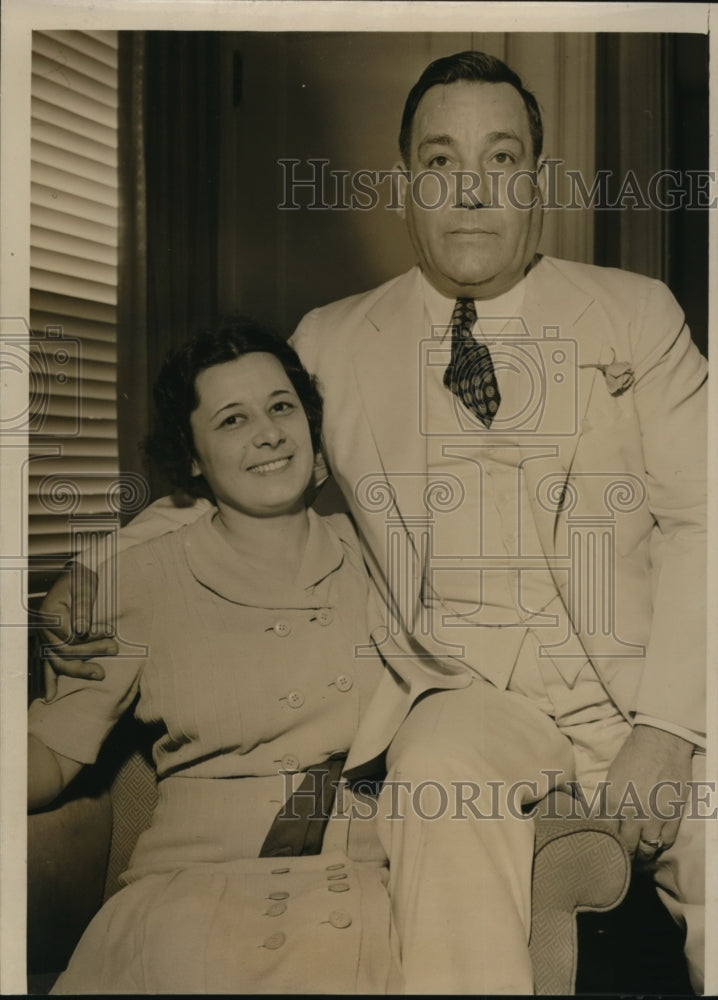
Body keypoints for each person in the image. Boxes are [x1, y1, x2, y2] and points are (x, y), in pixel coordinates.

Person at [41, 51, 707, 994]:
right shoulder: (334, 338)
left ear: (537, 181)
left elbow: (705, 519)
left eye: (501, 159)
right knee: (438, 774)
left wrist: (669, 734)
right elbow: (242, 480)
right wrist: (95, 571)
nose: (470, 191)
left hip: (652, 692)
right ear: (406, 187)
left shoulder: (637, 316)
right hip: (474, 697)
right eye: (441, 162)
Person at [28, 321, 397, 994]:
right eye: (232, 419)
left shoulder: (383, 557)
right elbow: (52, 755)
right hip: (188, 902)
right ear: (193, 457)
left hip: (357, 891)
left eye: (281, 407)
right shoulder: (137, 582)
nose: (267, 433)